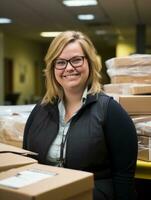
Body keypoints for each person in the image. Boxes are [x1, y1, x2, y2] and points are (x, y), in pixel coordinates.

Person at [23, 30, 138, 200]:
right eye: (60, 62)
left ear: (90, 63)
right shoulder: (40, 111)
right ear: (52, 68)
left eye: (76, 60)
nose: (69, 68)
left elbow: (123, 178)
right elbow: (27, 162)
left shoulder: (111, 111)